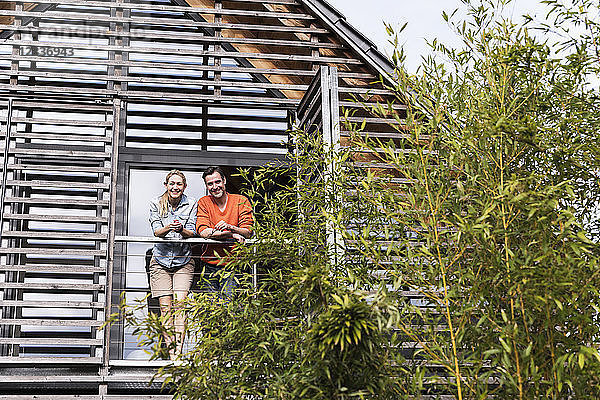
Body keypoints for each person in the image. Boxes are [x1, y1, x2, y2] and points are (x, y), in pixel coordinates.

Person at [148, 170, 197, 360]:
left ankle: (178, 353)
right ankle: (171, 354)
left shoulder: (192, 203)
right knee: (165, 308)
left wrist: (182, 229)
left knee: (180, 305)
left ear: (184, 187)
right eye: (172, 184)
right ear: (166, 185)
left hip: (183, 260)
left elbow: (193, 232)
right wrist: (169, 227)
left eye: (179, 184)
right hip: (160, 260)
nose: (175, 187)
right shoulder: (155, 203)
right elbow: (156, 231)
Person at [196, 166, 253, 295]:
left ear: (224, 181)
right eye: (210, 184)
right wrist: (232, 234)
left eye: (217, 182)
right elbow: (203, 231)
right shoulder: (204, 202)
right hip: (209, 264)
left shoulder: (240, 201)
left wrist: (230, 227)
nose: (215, 187)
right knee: (210, 308)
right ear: (206, 186)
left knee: (229, 306)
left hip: (233, 264)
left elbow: (248, 231)